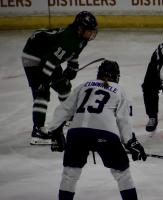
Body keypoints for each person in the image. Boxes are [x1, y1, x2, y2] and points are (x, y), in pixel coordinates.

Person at [48, 59, 147, 200]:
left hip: (77, 133)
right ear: (116, 76)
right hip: (105, 134)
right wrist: (131, 142)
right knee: (122, 173)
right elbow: (123, 120)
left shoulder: (83, 86)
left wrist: (55, 131)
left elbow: (63, 109)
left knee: (70, 174)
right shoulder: (119, 90)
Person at [22, 11, 98, 145]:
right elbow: (49, 62)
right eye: (89, 30)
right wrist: (44, 82)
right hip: (33, 55)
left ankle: (67, 116)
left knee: (64, 86)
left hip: (48, 55)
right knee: (42, 92)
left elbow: (73, 52)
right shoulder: (68, 40)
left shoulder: (80, 38)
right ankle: (38, 129)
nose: (91, 33)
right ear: (80, 29)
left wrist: (73, 66)